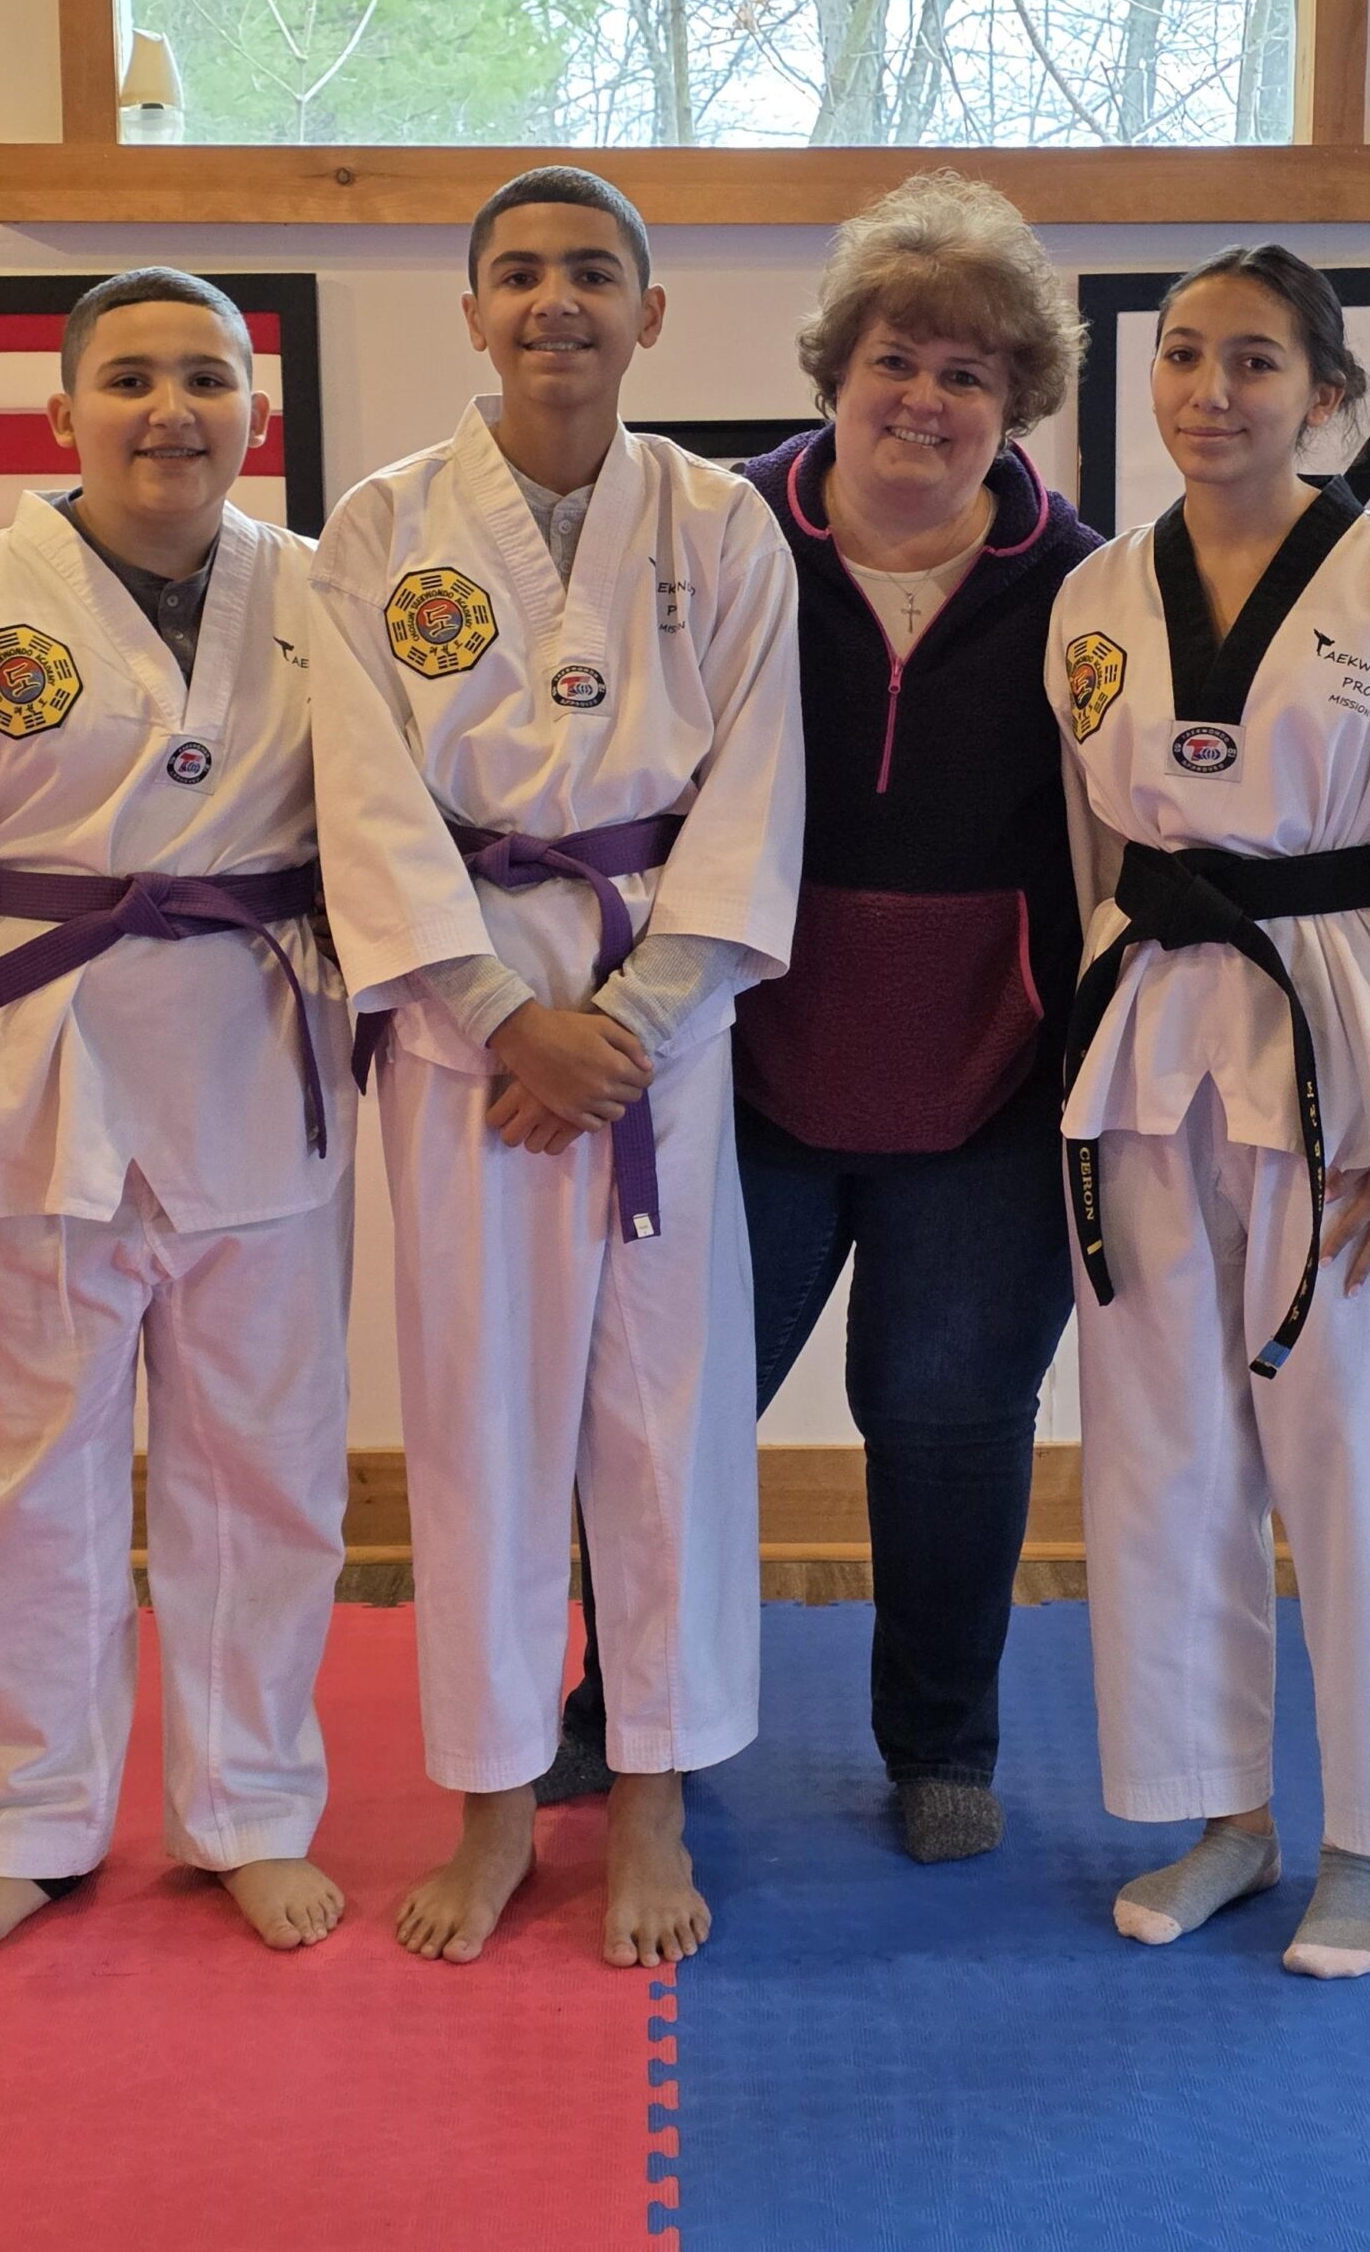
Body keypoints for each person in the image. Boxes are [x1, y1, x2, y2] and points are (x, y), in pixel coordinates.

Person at [543, 171, 1101, 1864]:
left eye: (967, 375)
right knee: (664, 1419)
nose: (924, 400)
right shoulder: (717, 541)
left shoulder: (1088, 590)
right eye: (895, 362)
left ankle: (941, 1745)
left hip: (988, 1086)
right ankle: (625, 1713)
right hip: (740, 1070)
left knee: (948, 1425)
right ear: (835, 372)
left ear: (1016, 403)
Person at [0, 267, 357, 1966]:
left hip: (262, 1080)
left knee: (267, 1477)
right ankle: (32, 1824)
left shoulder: (322, 593)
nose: (169, 409)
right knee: (31, 1483)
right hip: (32, 1098)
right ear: (62, 411)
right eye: (129, 379)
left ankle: (249, 1808)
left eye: (206, 376)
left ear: (254, 414)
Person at [1048, 245, 1370, 1976]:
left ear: (1326, 395)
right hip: (1150, 1026)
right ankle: (1222, 1813)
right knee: (1161, 1438)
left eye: (1256, 361)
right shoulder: (1097, 592)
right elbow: (1092, 844)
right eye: (1184, 354)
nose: (1211, 390)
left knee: (1357, 1436)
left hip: (1341, 1026)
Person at [309, 167, 802, 1968]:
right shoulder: (381, 524)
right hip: (469, 1037)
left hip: (662, 1027)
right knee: (479, 1420)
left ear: (650, 313)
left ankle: (654, 1790)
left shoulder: (722, 525)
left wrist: (631, 1022)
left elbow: (755, 794)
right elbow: (360, 794)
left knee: (668, 1426)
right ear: (472, 312)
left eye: (593, 272)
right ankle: (499, 1799)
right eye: (518, 273)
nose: (556, 302)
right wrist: (500, 1017)